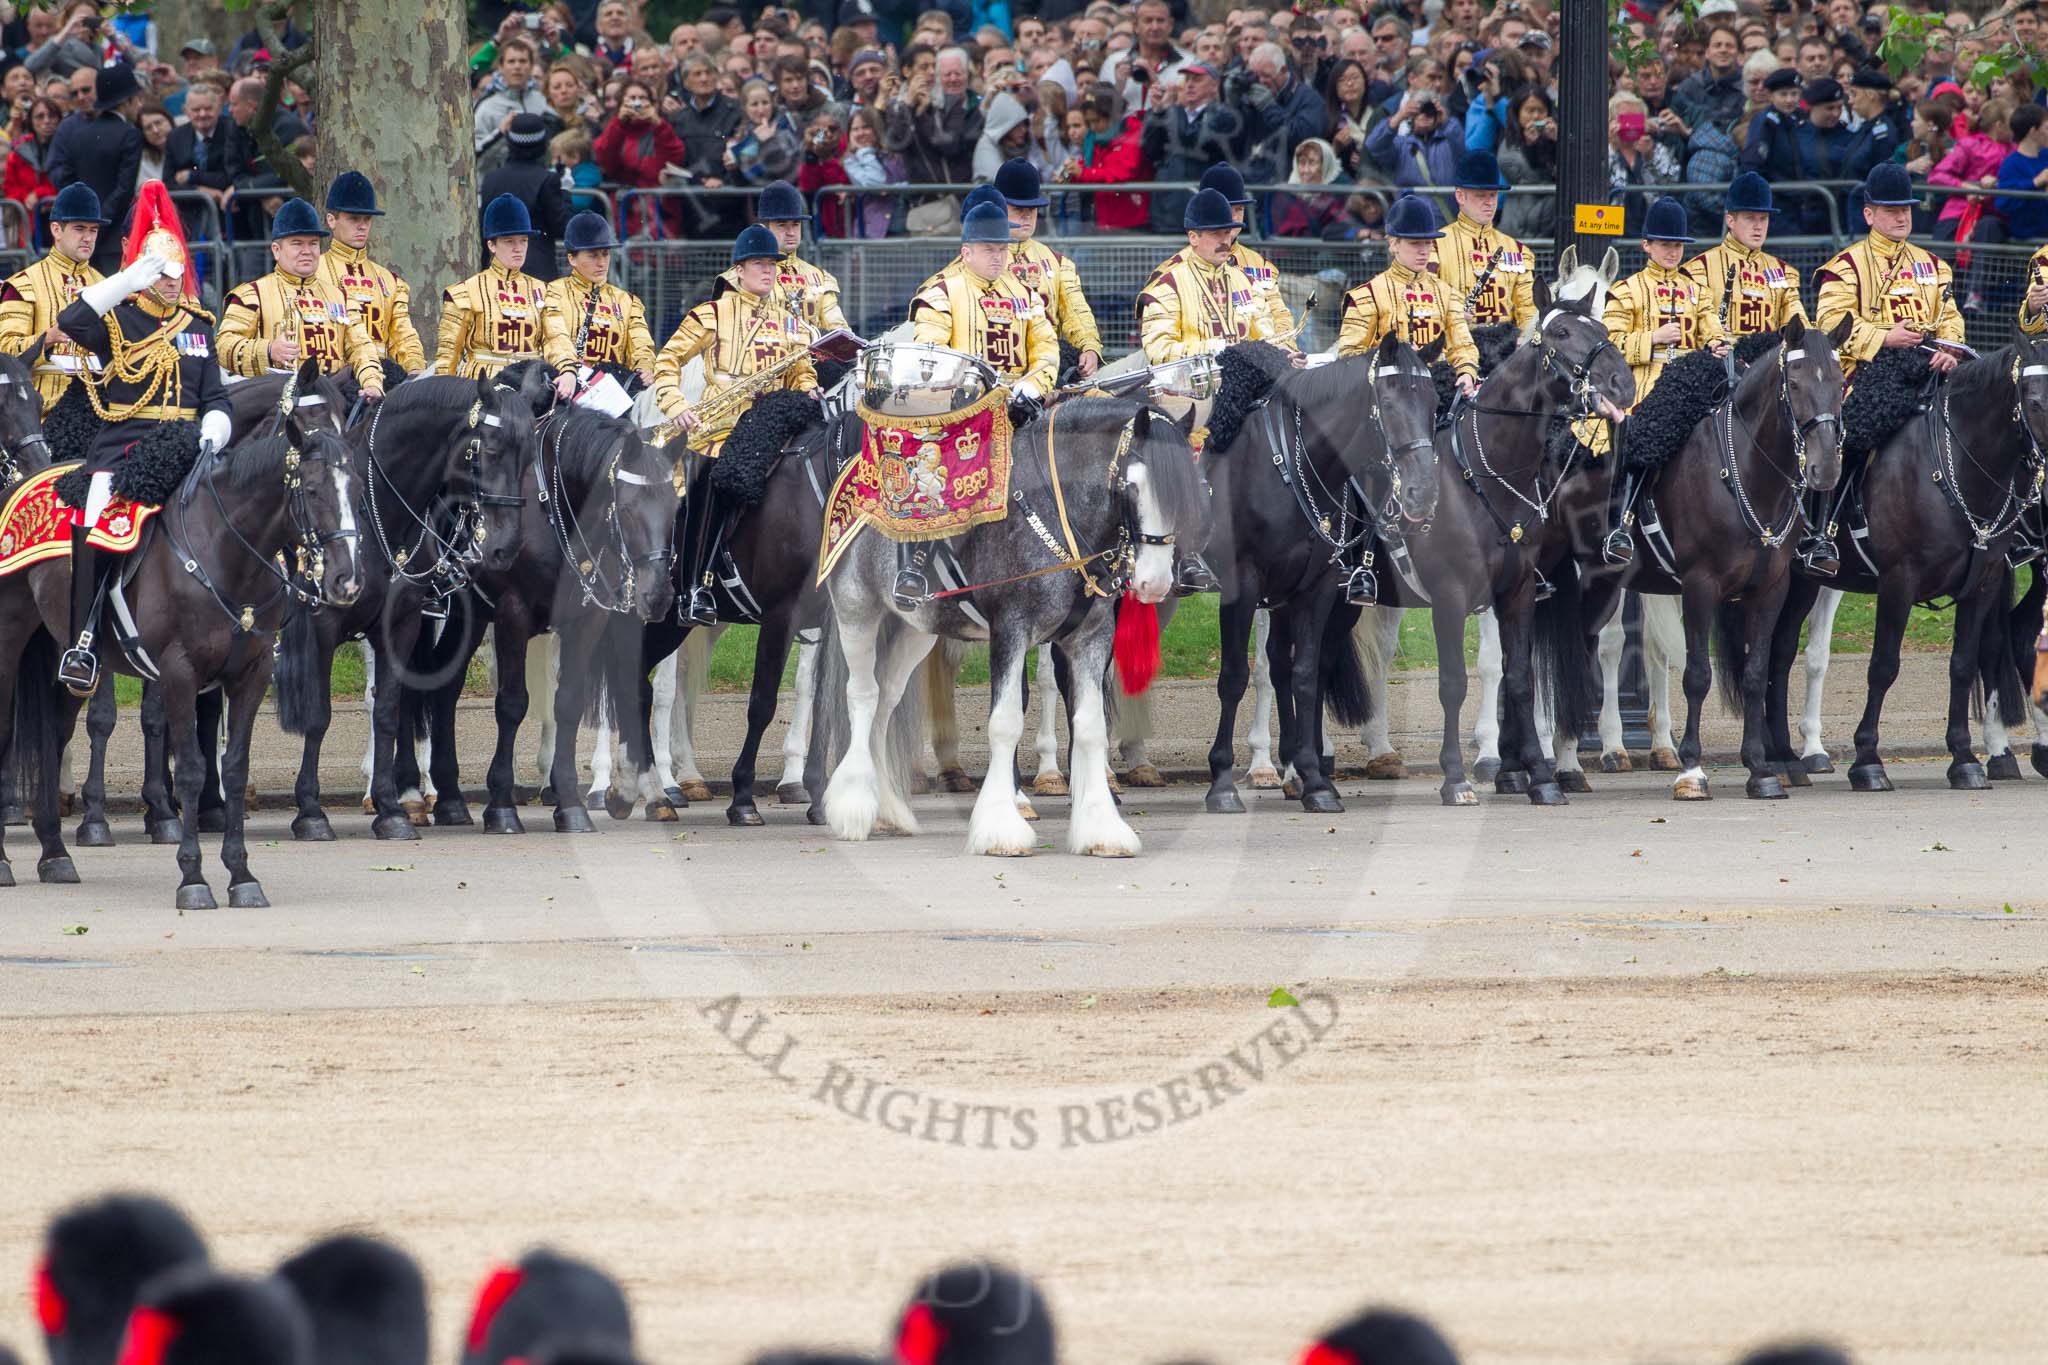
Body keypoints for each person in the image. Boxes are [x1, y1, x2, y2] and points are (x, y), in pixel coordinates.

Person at [52, 181, 233, 695]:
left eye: (179, 273)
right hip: (125, 450)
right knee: (93, 515)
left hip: (189, 446)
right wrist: (124, 279)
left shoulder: (199, 325)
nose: (175, 283)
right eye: (163, 274)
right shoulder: (119, 320)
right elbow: (71, 319)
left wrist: (216, 428)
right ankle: (83, 641)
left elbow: (215, 396)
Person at [654, 224, 821, 624]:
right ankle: (694, 587)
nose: (769, 271)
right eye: (760, 264)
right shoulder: (711, 314)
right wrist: (675, 403)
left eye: (773, 264)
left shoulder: (791, 323)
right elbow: (666, 361)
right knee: (709, 479)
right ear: (739, 270)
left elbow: (801, 373)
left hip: (777, 425)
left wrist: (810, 388)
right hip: (721, 426)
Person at [895, 199, 1059, 606]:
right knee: (934, 466)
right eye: (989, 249)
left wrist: (1033, 386)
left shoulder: (1025, 293)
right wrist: (980, 392)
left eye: (1002, 248)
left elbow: (1048, 349)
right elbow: (930, 354)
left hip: (1022, 404)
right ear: (966, 251)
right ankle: (916, 562)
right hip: (960, 407)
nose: (998, 256)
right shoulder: (941, 291)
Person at [1598, 194, 1729, 565]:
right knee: (1642, 435)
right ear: (1647, 245)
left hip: (1692, 385)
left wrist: (1718, 345)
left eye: (1678, 246)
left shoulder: (1699, 293)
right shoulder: (1626, 291)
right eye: (1665, 245)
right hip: (1643, 386)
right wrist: (1651, 339)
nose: (1673, 252)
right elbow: (1609, 346)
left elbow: (1714, 332)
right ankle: (1622, 524)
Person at [215, 197, 383, 397]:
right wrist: (268, 350)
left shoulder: (341, 297)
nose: (307, 251)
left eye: (313, 243)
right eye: (297, 244)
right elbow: (223, 347)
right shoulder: (252, 295)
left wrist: (372, 383)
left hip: (334, 400)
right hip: (275, 403)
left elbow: (361, 347)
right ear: (276, 251)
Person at [435, 193, 577, 392]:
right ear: (491, 244)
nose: (519, 249)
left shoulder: (544, 292)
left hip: (532, 388)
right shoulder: (465, 292)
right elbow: (448, 356)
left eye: (524, 240)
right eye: (509, 241)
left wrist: (568, 370)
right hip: (482, 391)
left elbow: (556, 338)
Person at [989, 159, 1101, 376]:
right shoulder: (978, 259)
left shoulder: (1059, 262)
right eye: (1018, 208)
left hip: (1051, 367)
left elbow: (1076, 313)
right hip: (998, 369)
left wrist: (1090, 348)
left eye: (1032, 208)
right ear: (998, 207)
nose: (1026, 216)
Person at [0, 180, 104, 414]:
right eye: (79, 228)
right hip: (39, 419)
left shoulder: (105, 285)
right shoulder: (23, 284)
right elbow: (4, 353)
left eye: (93, 230)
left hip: (100, 413)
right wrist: (46, 339)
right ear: (56, 230)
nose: (88, 237)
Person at [1682, 171, 1807, 342]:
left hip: (1771, 365)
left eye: (1763, 219)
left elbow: (1798, 321)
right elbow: (1689, 329)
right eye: (1750, 218)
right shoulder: (1699, 270)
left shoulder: (1782, 271)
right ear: (1730, 221)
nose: (1758, 226)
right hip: (1720, 364)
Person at [46, 62, 143, 275]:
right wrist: (101, 220)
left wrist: (87, 219)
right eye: (136, 99)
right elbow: (124, 188)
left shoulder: (78, 133)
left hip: (80, 237)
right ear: (126, 101)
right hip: (114, 238)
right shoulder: (129, 134)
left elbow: (68, 181)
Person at [715, 178, 846, 336]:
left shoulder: (819, 277)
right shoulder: (740, 277)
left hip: (814, 359)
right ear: (766, 227)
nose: (791, 232)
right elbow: (728, 333)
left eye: (796, 224)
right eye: (782, 225)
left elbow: (839, 330)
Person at [544, 211, 654, 388]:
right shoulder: (553, 293)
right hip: (567, 386)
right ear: (571, 258)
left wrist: (645, 366)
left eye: (605, 253)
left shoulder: (627, 301)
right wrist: (567, 369)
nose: (602, 262)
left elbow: (641, 343)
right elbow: (555, 338)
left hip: (615, 392)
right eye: (593, 255)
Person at [1431, 148, 1536, 332]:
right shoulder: (1434, 247)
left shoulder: (1518, 251)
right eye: (1480, 195)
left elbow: (1528, 308)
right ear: (1459, 196)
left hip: (1506, 352)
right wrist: (1448, 316)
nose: (1489, 202)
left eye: (1493, 195)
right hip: (1454, 349)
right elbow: (1423, 300)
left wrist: (1526, 337)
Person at [478, 113, 573, 282]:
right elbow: (562, 227)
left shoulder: (491, 178)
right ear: (544, 144)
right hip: (537, 272)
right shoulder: (547, 179)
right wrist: (565, 190)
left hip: (495, 269)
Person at [1838, 67, 1903, 187]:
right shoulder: (1867, 128)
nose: (1850, 101)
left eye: (1854, 94)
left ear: (1871, 95)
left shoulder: (1882, 134)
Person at [1740, 69, 1808, 184]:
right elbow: (1752, 163)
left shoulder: (1796, 119)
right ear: (1770, 96)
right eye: (1783, 94)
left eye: (1794, 94)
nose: (1789, 100)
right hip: (1775, 194)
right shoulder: (1766, 123)